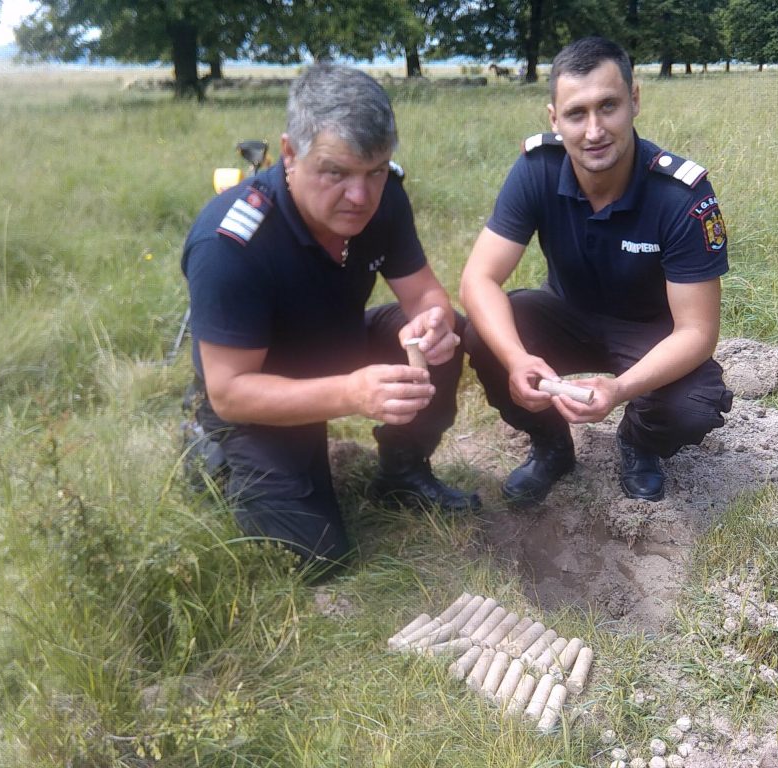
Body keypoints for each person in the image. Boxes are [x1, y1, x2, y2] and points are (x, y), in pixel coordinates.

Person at [181, 63, 480, 571]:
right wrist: (350, 395)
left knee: (450, 328)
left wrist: (431, 322)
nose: (360, 197)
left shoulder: (383, 200)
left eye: (376, 171)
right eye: (335, 172)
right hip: (257, 391)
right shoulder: (230, 243)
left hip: (337, 346)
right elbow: (230, 391)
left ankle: (401, 473)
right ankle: (212, 456)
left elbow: (425, 294)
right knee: (317, 556)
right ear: (290, 154)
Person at [460, 36, 733, 506]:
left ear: (635, 101)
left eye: (608, 106)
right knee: (485, 335)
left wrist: (621, 389)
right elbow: (478, 279)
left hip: (650, 334)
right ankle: (551, 445)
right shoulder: (536, 169)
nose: (593, 131)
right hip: (566, 313)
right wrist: (516, 358)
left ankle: (637, 441)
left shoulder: (681, 194)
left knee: (695, 404)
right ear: (553, 119)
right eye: (576, 113)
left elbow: (697, 331)